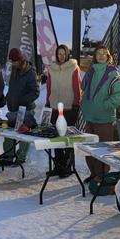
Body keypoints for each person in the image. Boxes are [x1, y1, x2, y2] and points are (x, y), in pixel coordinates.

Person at [80, 46, 120, 181]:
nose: (100, 56)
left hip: (104, 118)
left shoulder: (113, 72)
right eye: (98, 53)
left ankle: (102, 175)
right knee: (89, 149)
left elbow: (118, 96)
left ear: (108, 57)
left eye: (104, 54)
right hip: (89, 116)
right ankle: (93, 173)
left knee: (103, 149)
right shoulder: (91, 70)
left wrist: (104, 106)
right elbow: (83, 87)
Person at [46, 44, 82, 177]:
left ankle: (67, 167)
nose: (61, 56)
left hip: (68, 107)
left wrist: (76, 104)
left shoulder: (73, 67)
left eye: (63, 54)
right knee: (56, 138)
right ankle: (58, 166)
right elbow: (49, 86)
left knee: (67, 138)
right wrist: (48, 101)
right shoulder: (52, 69)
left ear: (67, 54)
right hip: (55, 107)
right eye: (59, 54)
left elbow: (77, 86)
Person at [3, 48, 39, 164]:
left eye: (14, 61)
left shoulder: (30, 72)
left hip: (26, 110)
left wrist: (21, 101)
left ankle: (21, 157)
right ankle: (8, 156)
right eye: (11, 62)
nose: (12, 64)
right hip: (13, 109)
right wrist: (8, 98)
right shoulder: (14, 70)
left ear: (20, 60)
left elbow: (35, 92)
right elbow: (12, 89)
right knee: (9, 134)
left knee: (24, 136)